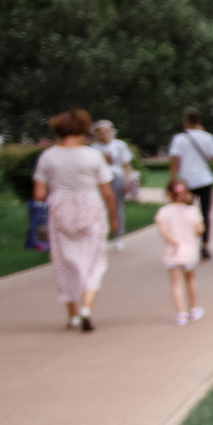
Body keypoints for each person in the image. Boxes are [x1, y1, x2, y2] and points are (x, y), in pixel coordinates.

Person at [35, 110, 121, 332]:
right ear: (84, 129)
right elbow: (108, 192)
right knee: (94, 260)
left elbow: (39, 193)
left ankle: (72, 315)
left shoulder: (48, 157)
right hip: (90, 207)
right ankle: (87, 309)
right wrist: (114, 218)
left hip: (60, 209)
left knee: (65, 261)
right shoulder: (93, 156)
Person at [167, 110, 213, 259]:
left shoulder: (179, 139)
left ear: (185, 122)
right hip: (205, 180)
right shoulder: (208, 137)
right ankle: (205, 244)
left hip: (186, 182)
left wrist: (172, 179)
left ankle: (186, 242)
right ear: (199, 121)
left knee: (184, 213)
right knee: (205, 213)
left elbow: (174, 161)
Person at [156, 179, 205, 323]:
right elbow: (200, 230)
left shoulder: (164, 212)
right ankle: (193, 309)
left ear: (169, 193)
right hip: (189, 252)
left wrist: (173, 242)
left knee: (176, 284)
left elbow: (163, 231)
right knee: (191, 280)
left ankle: (180, 313)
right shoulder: (192, 211)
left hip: (173, 253)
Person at [92, 121, 138, 245]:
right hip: (100, 181)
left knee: (118, 208)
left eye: (106, 131)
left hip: (116, 178)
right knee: (101, 208)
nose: (104, 134)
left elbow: (127, 165)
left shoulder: (119, 145)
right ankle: (103, 236)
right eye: (101, 132)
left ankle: (117, 236)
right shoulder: (94, 148)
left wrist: (127, 181)